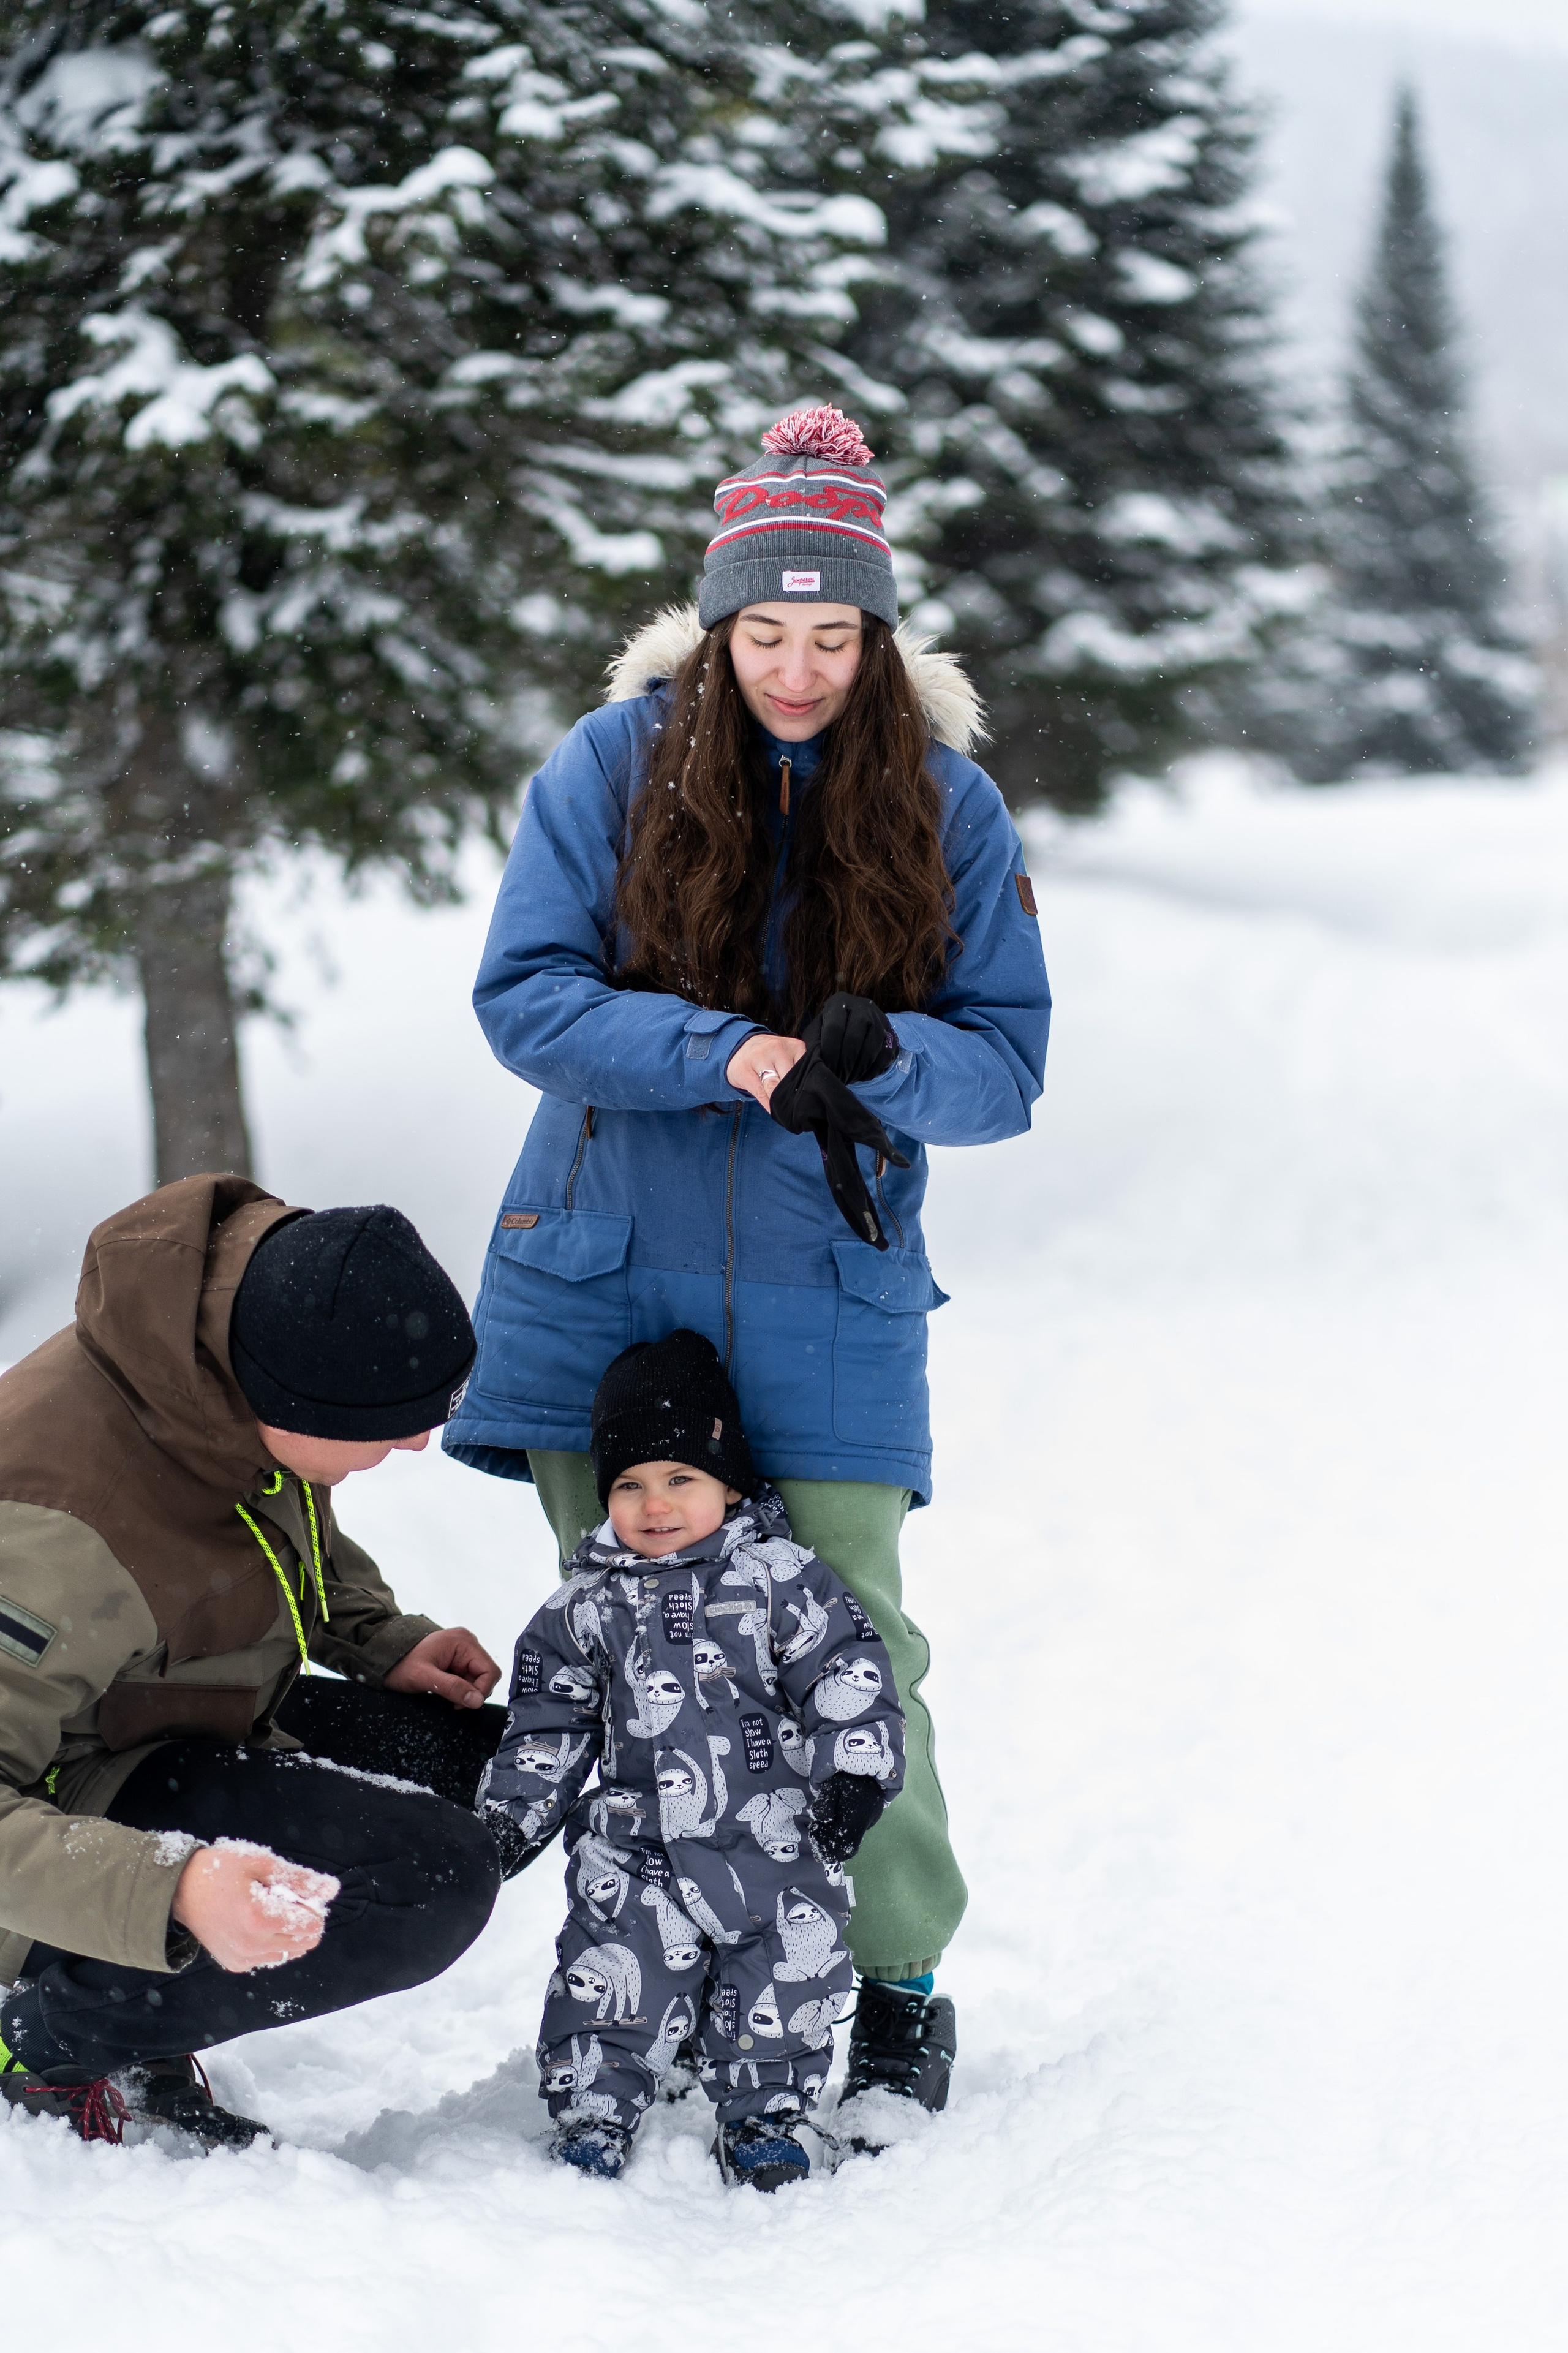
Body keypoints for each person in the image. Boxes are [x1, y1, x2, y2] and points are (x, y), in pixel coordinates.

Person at [444, 402, 1050, 2107]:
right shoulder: (609, 765)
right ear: (717, 628)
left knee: (856, 1645)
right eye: (767, 633)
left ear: (878, 635)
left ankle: (895, 1972)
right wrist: (718, 1050)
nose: (797, 669)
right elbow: (525, 998)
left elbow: (1005, 1065)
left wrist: (883, 1065)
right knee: (626, 1643)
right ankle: (660, 1971)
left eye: (834, 635)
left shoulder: (950, 804)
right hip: (596, 1261)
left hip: (830, 1288)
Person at [0, 1176, 507, 2148]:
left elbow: (268, 1510)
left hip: (154, 1717)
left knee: (489, 1768)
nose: (417, 1438)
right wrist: (169, 1890)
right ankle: (57, 2029)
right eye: (387, 1422)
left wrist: (376, 1637)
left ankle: (152, 1978)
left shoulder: (223, 1347)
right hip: (58, 1809)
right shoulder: (55, 1540)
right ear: (287, 1400)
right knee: (434, 1881)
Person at [479, 1328, 905, 2189]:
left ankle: (769, 2112)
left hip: (773, 1838)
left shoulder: (785, 1578)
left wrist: (854, 1777)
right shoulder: (583, 1605)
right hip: (637, 1845)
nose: (655, 1504)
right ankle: (594, 2104)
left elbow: (845, 1676)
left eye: (681, 1478)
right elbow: (549, 1721)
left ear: (730, 1483)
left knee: (786, 1974)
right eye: (629, 1485)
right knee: (611, 1973)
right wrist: (510, 1818)